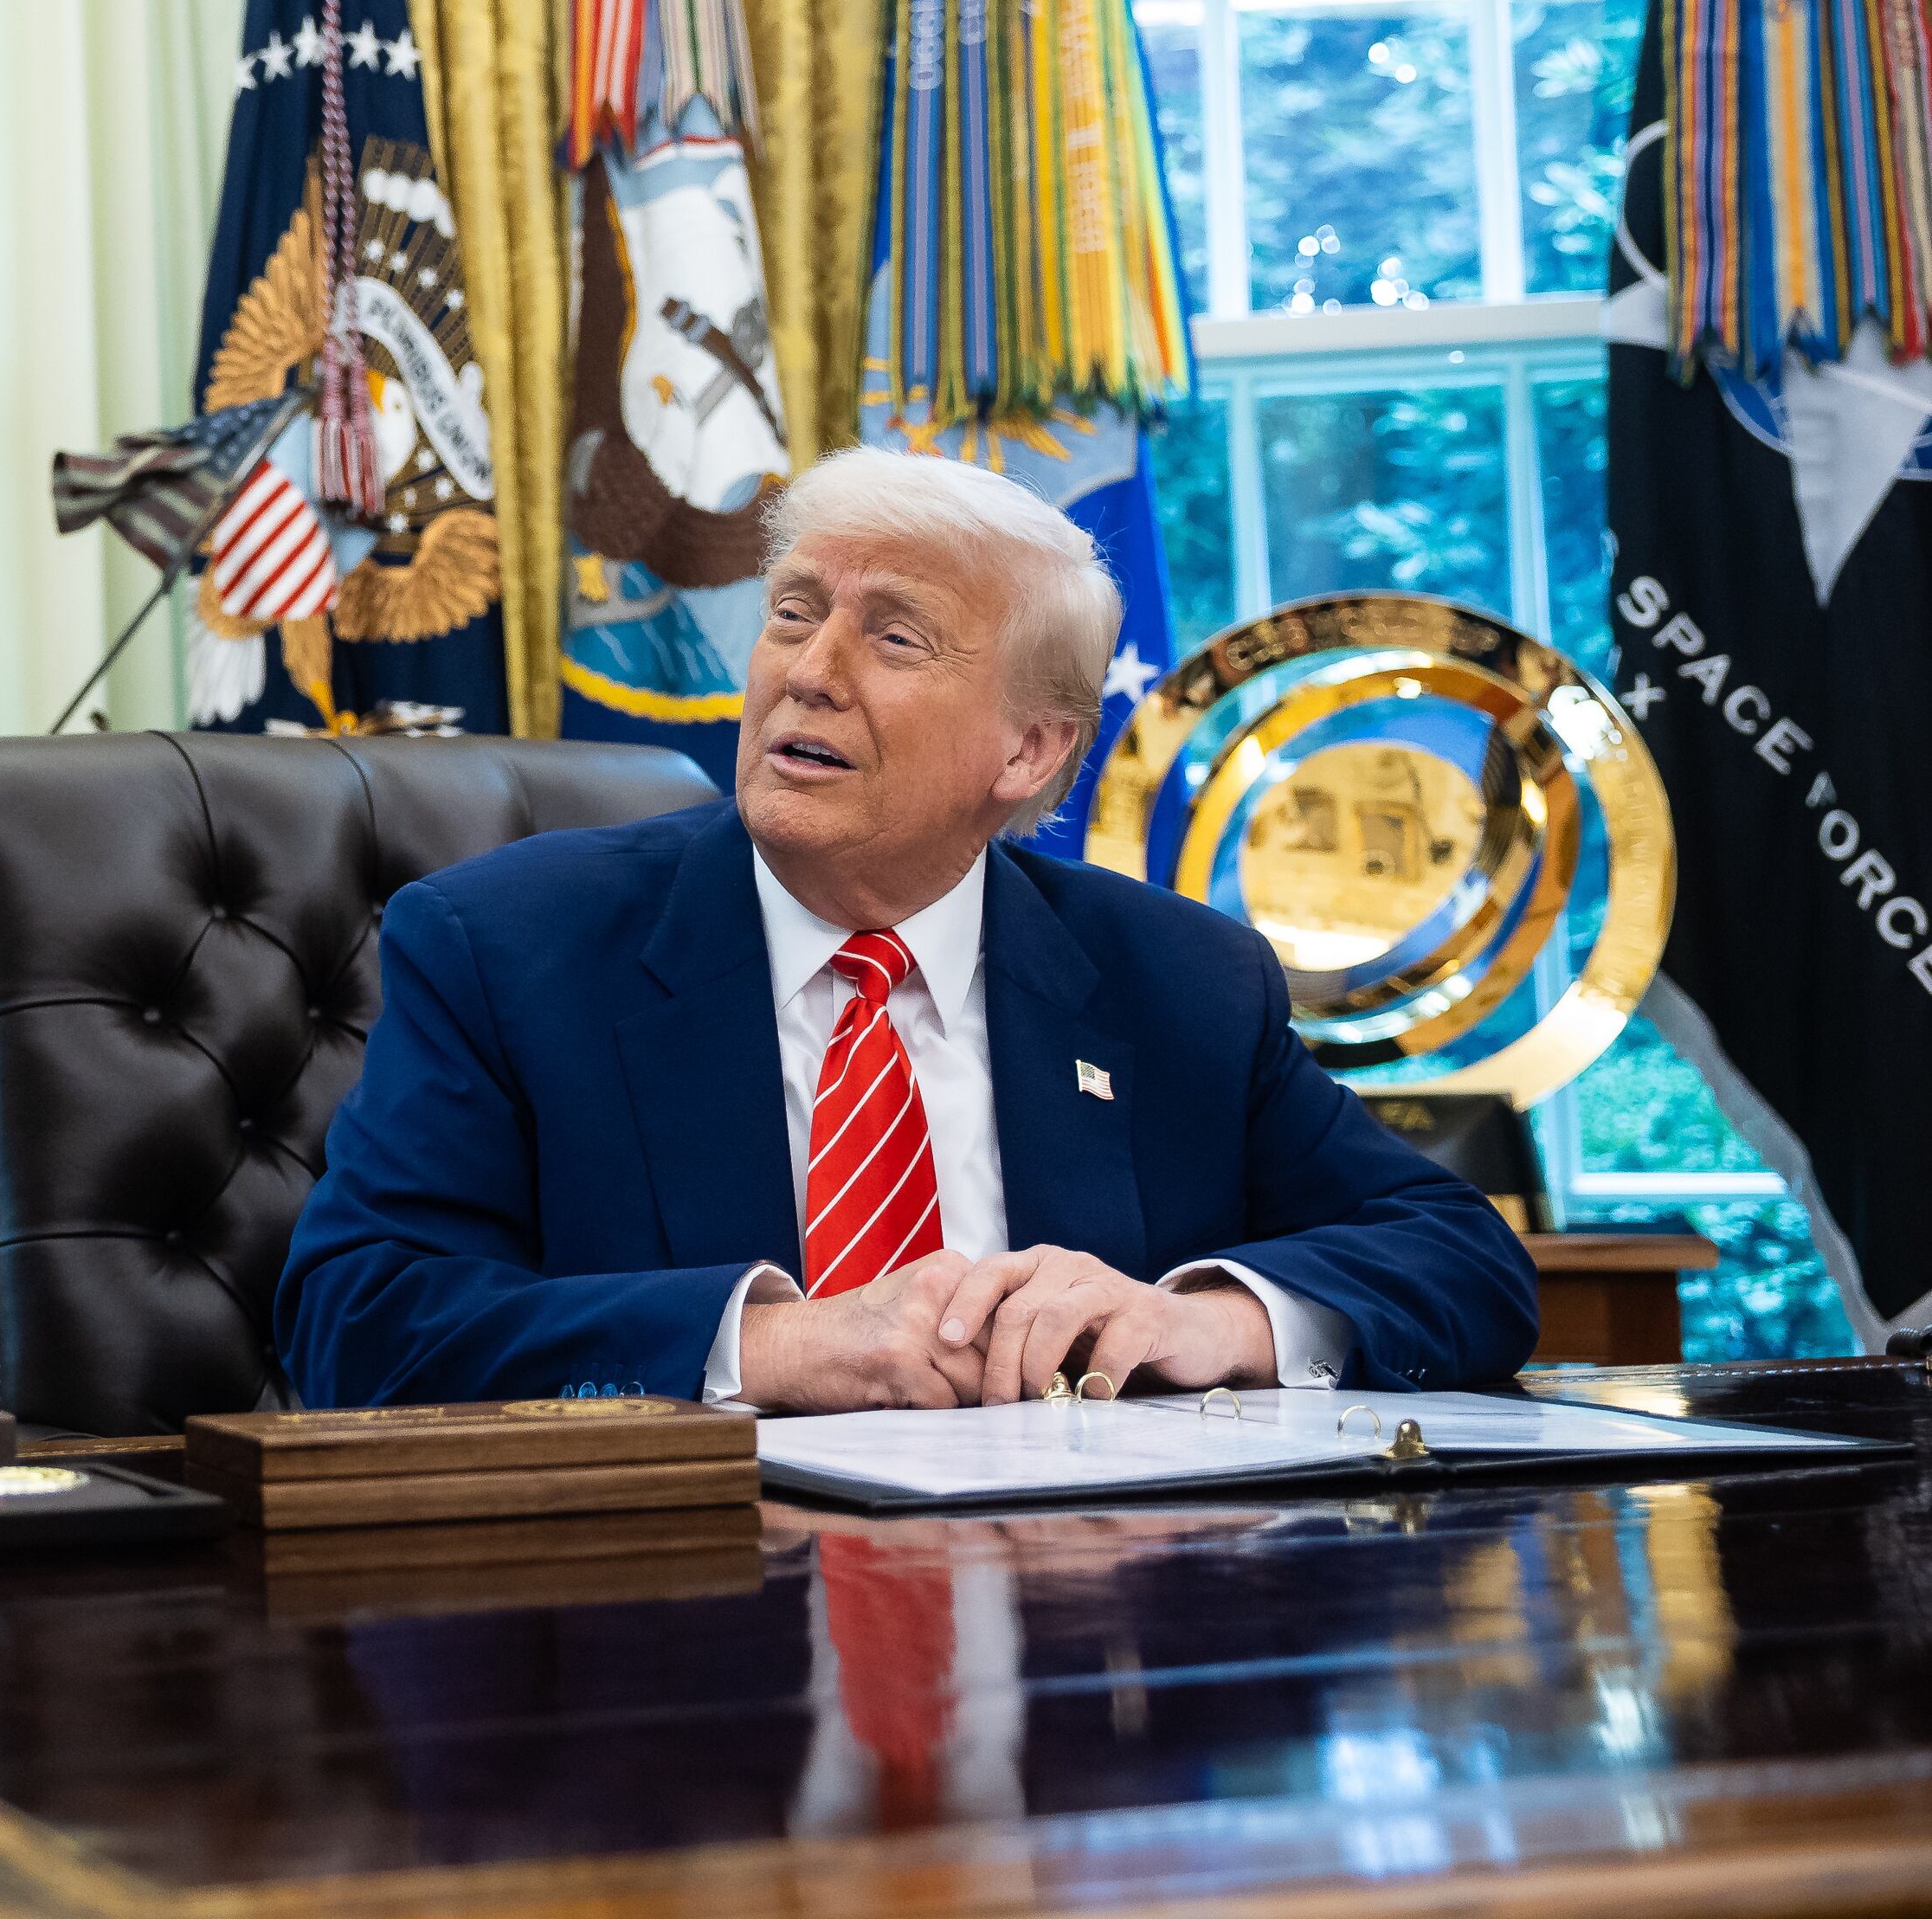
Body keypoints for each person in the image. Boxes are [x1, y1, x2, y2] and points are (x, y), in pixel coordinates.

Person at [279, 448, 1537, 1412]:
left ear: (1029, 750)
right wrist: (776, 1347)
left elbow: (1461, 1259)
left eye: (894, 636)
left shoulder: (1178, 981)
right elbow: (358, 1322)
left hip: (1081, 1623)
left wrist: (1205, 1321)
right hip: (681, 1617)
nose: (807, 671)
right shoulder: (508, 949)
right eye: (792, 612)